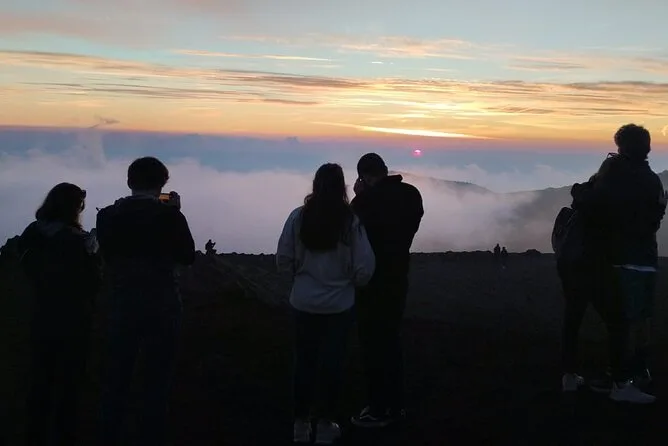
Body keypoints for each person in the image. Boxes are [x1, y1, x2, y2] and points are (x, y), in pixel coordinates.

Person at [97, 157, 196, 445]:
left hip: (122, 300)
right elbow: (187, 256)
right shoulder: (170, 217)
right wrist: (174, 214)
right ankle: (151, 434)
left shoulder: (107, 216)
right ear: (162, 185)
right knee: (157, 377)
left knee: (117, 374)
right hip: (162, 301)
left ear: (130, 182)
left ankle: (109, 433)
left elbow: (107, 254)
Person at [277, 163, 375, 445]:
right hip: (339, 307)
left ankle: (300, 424)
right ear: (342, 186)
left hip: (303, 303)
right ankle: (324, 425)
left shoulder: (298, 218)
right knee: (332, 364)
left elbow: (283, 259)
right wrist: (348, 282)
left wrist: (299, 278)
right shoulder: (351, 223)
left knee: (304, 363)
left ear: (315, 185)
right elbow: (364, 268)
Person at [574, 124, 666, 403]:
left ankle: (619, 382)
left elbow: (593, 205)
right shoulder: (653, 180)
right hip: (647, 259)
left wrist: (579, 191)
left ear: (622, 147)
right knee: (641, 319)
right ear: (647, 148)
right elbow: (656, 217)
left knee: (619, 322)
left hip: (619, 260)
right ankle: (639, 372)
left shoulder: (615, 174)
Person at [18, 183, 101, 446]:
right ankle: (65, 434)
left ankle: (34, 434)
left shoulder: (32, 233)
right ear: (75, 208)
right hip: (74, 317)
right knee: (70, 382)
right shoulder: (78, 241)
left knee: (40, 379)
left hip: (42, 313)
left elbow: (24, 266)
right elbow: (92, 282)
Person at [349, 153, 424, 428]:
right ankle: (396, 405)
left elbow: (354, 228)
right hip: (398, 277)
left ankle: (378, 408)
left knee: (372, 345)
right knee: (391, 341)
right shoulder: (412, 195)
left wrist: (359, 197)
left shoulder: (366, 202)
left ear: (364, 177)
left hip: (371, 282)